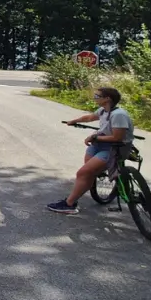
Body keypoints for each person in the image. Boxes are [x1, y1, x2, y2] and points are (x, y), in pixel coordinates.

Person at [48, 87, 135, 215]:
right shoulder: (103, 110)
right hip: (99, 144)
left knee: (83, 173)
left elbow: (117, 138)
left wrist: (95, 137)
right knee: (89, 173)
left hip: (114, 148)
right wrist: (74, 121)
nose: (94, 98)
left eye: (97, 96)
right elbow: (90, 117)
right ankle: (95, 176)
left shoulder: (118, 115)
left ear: (107, 99)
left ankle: (69, 204)